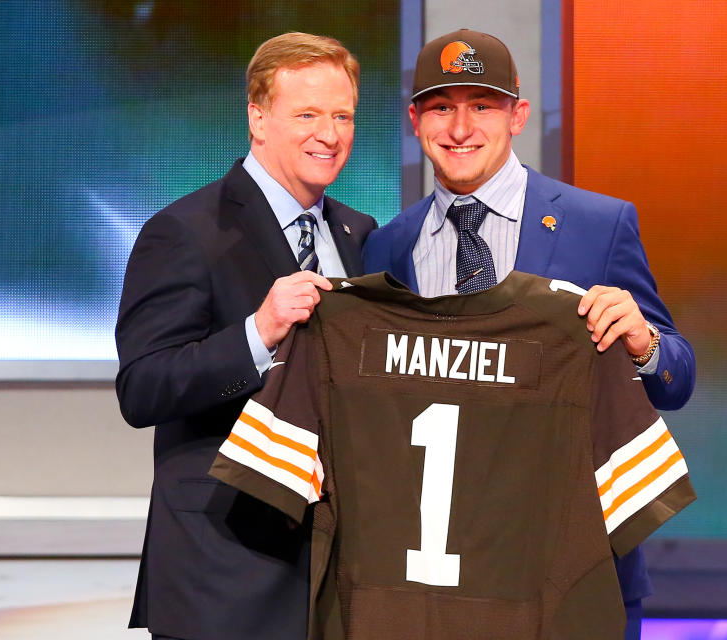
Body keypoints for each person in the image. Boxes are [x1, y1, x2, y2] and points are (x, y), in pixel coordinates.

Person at [362, 28, 696, 640]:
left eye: (481, 106)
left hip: (575, 575)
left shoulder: (599, 224)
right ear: (416, 120)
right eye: (442, 107)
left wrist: (644, 343)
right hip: (440, 579)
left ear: (517, 115)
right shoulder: (387, 246)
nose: (461, 128)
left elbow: (677, 377)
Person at [115, 32, 376, 640]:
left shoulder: (359, 234)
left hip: (339, 571)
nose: (330, 134)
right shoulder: (184, 231)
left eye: (342, 115)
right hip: (223, 573)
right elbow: (143, 388)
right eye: (306, 114)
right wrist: (259, 332)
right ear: (257, 118)